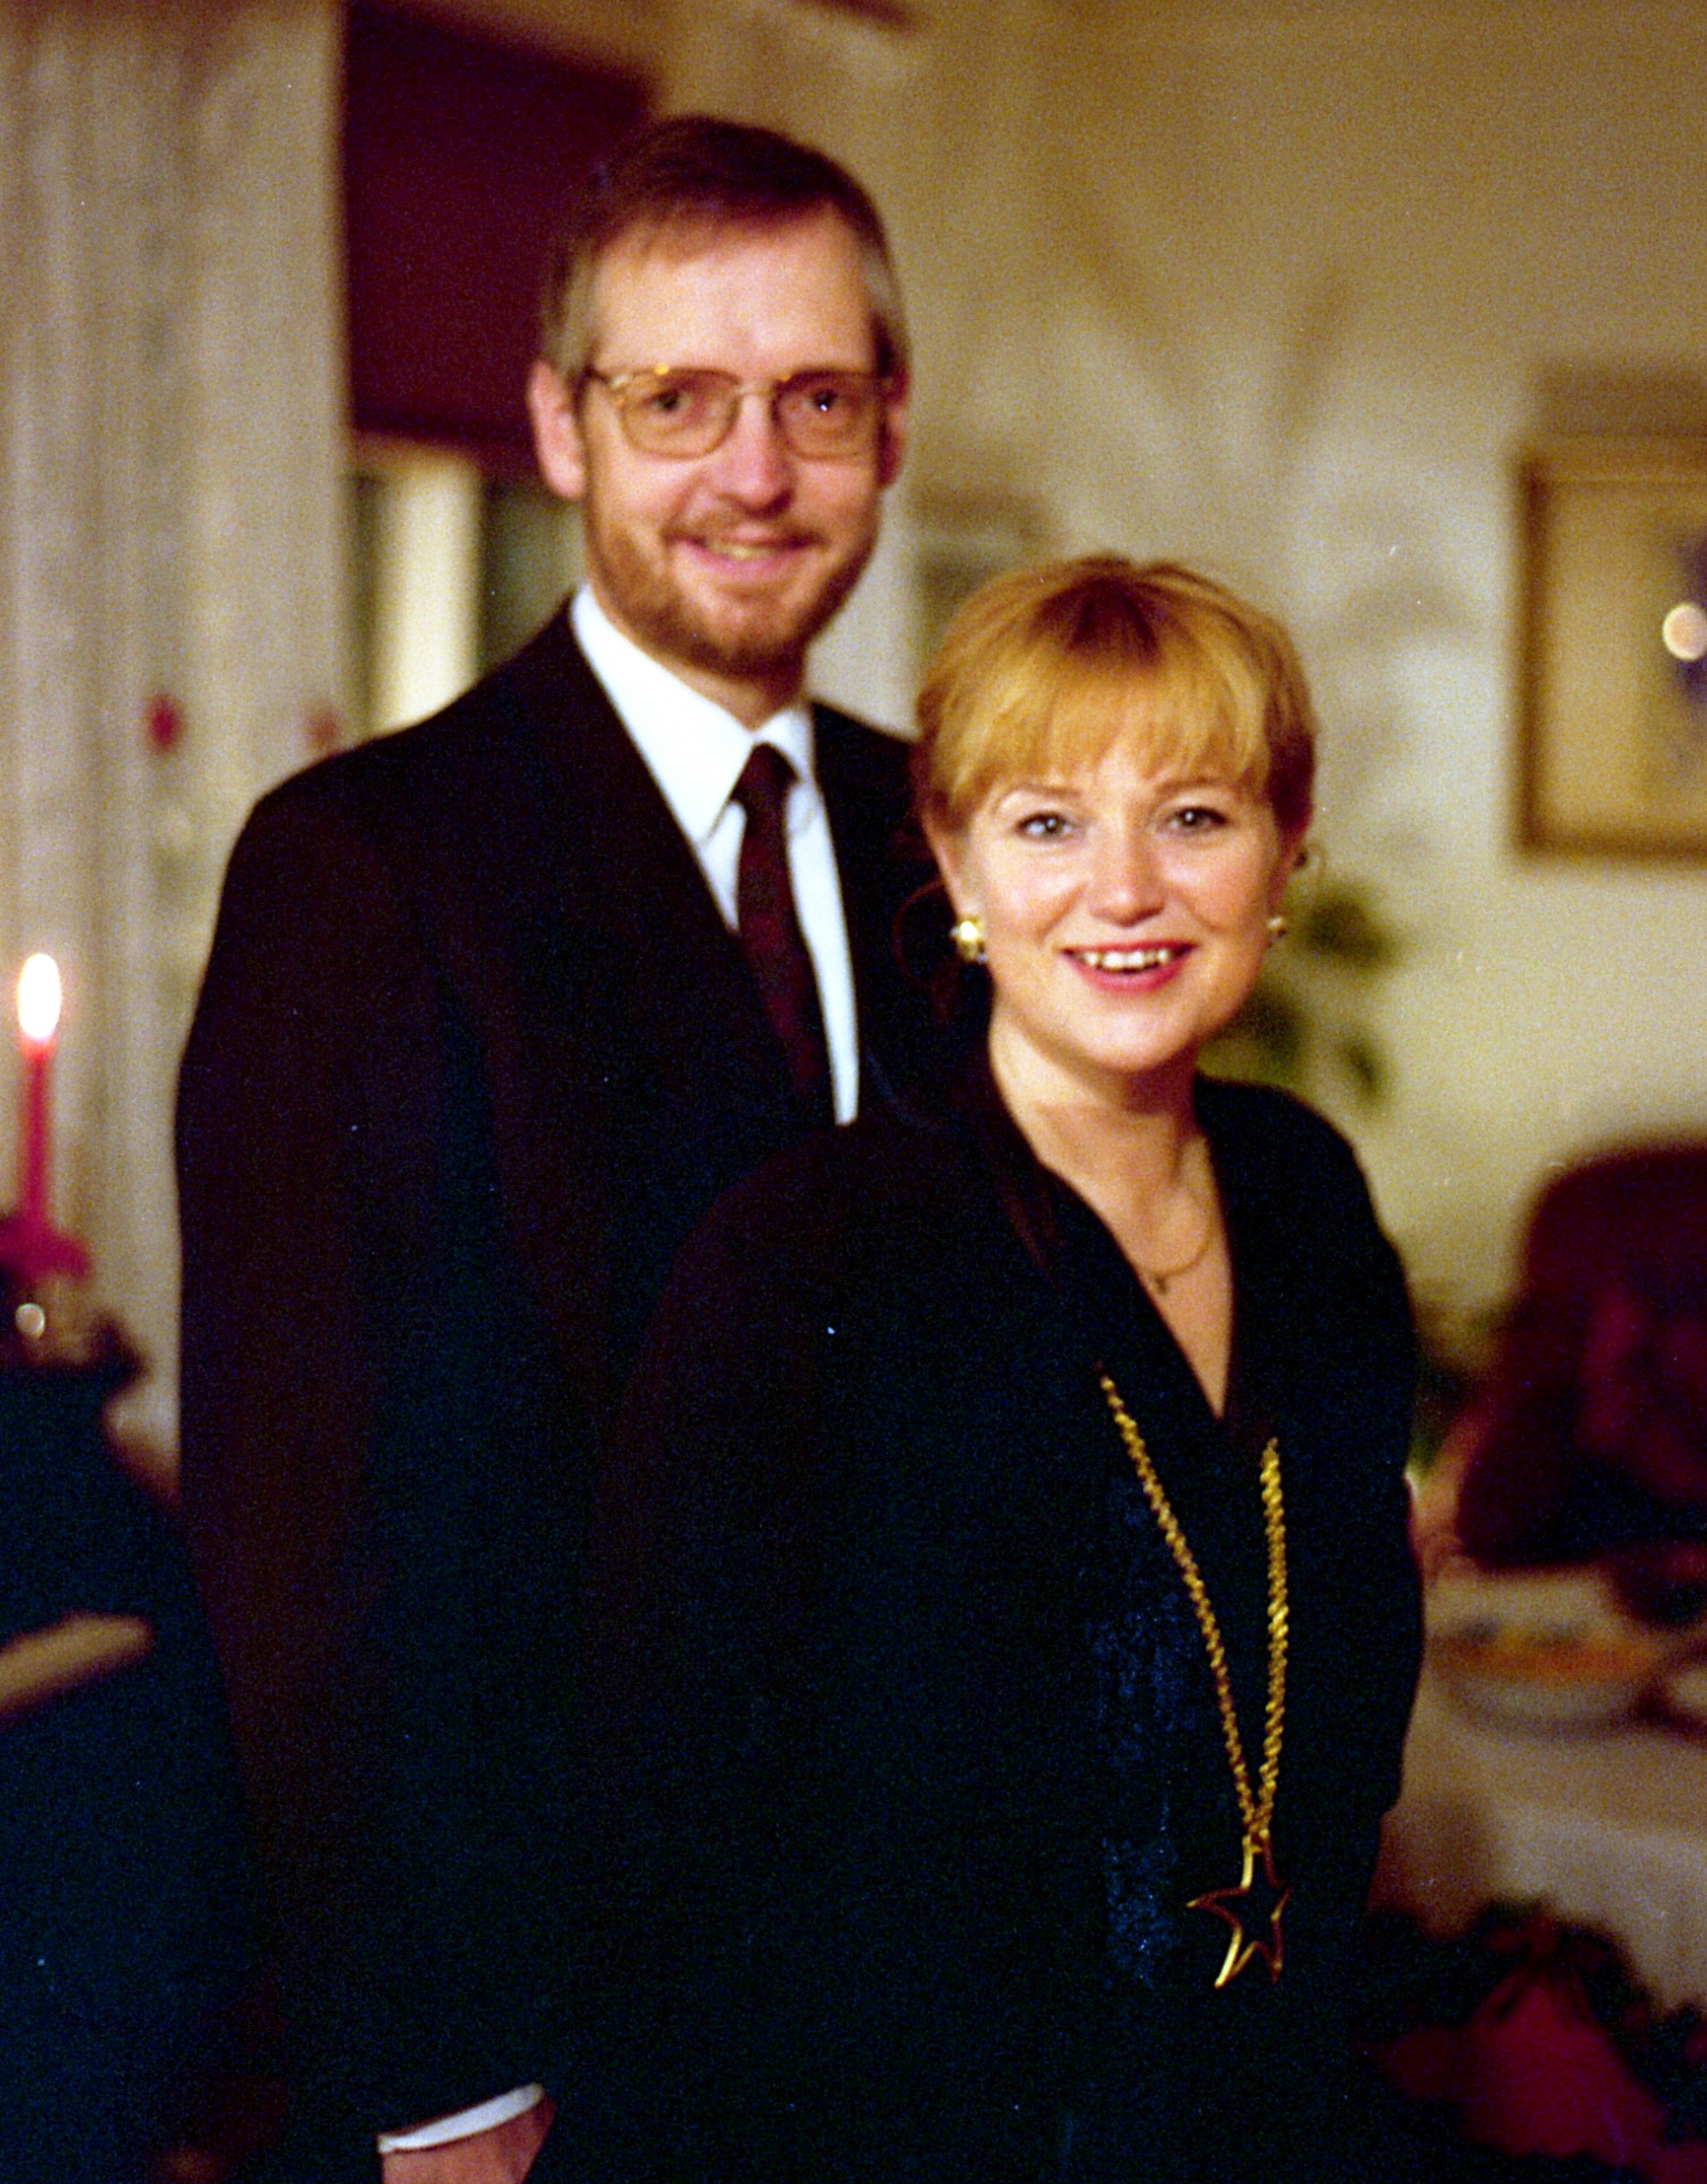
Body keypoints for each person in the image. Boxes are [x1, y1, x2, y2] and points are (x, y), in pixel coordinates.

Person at [176, 115, 935, 2182]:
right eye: (676, 398)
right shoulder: (363, 867)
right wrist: (441, 2084)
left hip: (919, 2014)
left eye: (814, 400)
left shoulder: (959, 839)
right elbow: (308, 1548)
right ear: (555, 427)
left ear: (890, 427)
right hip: (555, 2049)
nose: (753, 472)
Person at [565, 556, 1425, 2183]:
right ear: (956, 859)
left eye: (1193, 816)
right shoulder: (809, 1255)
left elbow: (1341, 1718)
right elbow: (671, 1839)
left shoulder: (1307, 1195)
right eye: (1048, 824)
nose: (1127, 890)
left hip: (1263, 2116)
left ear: (1286, 845)